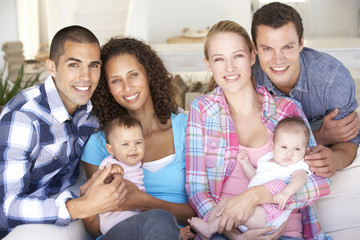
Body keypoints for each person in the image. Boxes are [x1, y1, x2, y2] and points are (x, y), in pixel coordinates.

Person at [185, 20, 331, 240]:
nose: (230, 68)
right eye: (219, 59)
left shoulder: (287, 111)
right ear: (208, 64)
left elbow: (320, 181)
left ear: (252, 57)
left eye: (238, 56)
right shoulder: (203, 109)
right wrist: (231, 233)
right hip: (224, 231)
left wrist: (255, 195)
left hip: (284, 233)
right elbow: (196, 188)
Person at [0, 25, 128, 238]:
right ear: (51, 67)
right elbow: (6, 209)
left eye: (93, 65)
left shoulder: (89, 109)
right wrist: (81, 206)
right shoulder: (23, 117)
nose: (85, 77)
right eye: (73, 64)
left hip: (59, 200)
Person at [80, 37, 196, 240]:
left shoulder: (188, 128)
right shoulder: (100, 143)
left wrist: (144, 201)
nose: (127, 87)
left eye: (133, 75)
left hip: (179, 234)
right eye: (116, 80)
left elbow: (200, 212)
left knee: (159, 221)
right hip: (121, 233)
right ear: (107, 88)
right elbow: (97, 228)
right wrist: (86, 208)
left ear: (149, 75)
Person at [251, 2, 360, 178]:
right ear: (255, 49)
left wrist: (334, 158)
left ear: (301, 42)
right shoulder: (248, 79)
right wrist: (319, 136)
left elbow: (348, 138)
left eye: (287, 47)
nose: (278, 60)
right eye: (267, 48)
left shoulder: (333, 80)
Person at [188, 117, 312, 240]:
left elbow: (299, 180)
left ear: (305, 152)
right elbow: (255, 178)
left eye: (297, 149)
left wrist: (286, 192)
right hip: (253, 209)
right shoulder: (267, 161)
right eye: (284, 147)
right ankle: (207, 230)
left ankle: (210, 229)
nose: (289, 153)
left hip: (270, 215)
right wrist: (246, 164)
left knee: (237, 209)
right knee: (223, 204)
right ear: (273, 148)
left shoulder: (298, 166)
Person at [98, 115, 146, 235]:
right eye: (125, 144)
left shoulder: (137, 164)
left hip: (132, 212)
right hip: (114, 217)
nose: (133, 148)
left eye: (138, 142)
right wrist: (110, 171)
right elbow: (98, 182)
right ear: (111, 150)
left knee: (153, 219)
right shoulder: (110, 163)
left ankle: (174, 231)